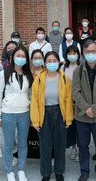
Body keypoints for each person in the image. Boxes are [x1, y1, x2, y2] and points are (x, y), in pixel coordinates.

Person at [72, 39, 96, 181]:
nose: (90, 54)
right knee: (83, 145)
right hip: (82, 116)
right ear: (83, 52)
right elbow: (75, 92)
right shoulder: (78, 70)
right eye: (87, 51)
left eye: (93, 51)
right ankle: (84, 171)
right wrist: (86, 108)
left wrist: (94, 108)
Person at [30, 51, 74, 181]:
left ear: (58, 62)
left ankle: (59, 171)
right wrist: (35, 120)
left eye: (54, 60)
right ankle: (46, 172)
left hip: (60, 112)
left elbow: (68, 99)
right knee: (45, 145)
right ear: (45, 62)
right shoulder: (39, 79)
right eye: (49, 61)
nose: (52, 63)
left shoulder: (64, 78)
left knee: (60, 144)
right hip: (44, 113)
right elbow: (35, 101)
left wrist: (68, 118)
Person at [0, 46, 34, 181]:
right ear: (12, 57)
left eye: (23, 56)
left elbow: (30, 94)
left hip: (24, 113)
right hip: (8, 113)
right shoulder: (3, 74)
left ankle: (21, 170)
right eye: (18, 55)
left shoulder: (28, 74)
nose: (20, 58)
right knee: (9, 144)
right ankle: (9, 171)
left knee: (23, 144)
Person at [62, 45, 81, 162]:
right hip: (67, 102)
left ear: (78, 54)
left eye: (74, 53)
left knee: (80, 127)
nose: (72, 55)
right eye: (70, 53)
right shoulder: (63, 67)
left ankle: (80, 149)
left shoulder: (81, 66)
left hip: (79, 101)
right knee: (71, 126)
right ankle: (73, 148)